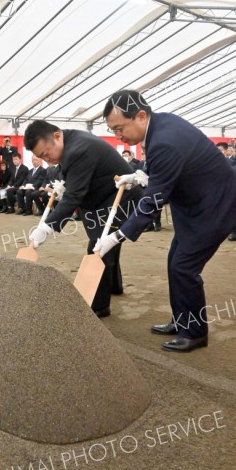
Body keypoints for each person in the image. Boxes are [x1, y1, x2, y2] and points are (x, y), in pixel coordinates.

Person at [96, 89, 236, 352]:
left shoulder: (164, 140)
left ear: (139, 116)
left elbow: (152, 202)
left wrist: (116, 237)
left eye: (118, 128)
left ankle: (194, 332)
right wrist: (138, 175)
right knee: (175, 261)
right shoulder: (160, 125)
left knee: (184, 267)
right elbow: (162, 167)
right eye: (112, 130)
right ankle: (182, 320)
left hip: (214, 206)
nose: (117, 136)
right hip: (195, 203)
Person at [24, 120, 144, 317]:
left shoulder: (78, 149)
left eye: (47, 153)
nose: (48, 160)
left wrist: (47, 228)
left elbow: (74, 196)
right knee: (107, 245)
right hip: (105, 197)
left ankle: (99, 306)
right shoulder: (68, 141)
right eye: (41, 157)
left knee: (98, 247)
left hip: (122, 197)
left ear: (56, 136)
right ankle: (115, 286)